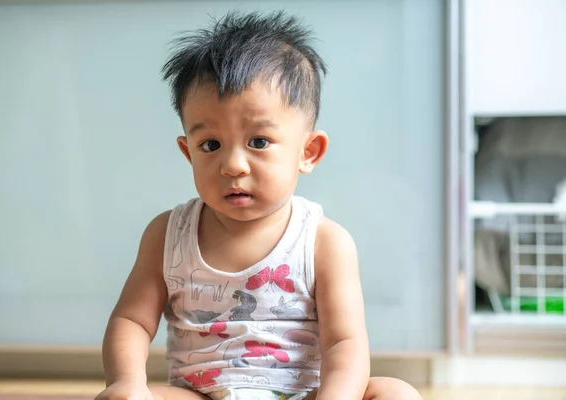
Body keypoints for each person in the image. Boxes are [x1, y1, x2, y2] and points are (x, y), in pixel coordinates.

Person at [95, 10, 422, 400]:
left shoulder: (324, 242)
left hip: (301, 395)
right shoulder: (167, 234)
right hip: (200, 395)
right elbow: (131, 320)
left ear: (308, 152)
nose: (233, 165)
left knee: (394, 392)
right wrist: (128, 382)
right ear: (188, 153)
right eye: (210, 145)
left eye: (259, 142)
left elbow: (344, 344)